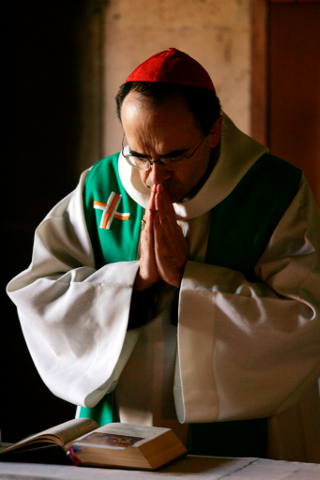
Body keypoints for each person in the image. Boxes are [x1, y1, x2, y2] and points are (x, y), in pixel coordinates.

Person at [7, 48, 320, 460]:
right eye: (138, 154)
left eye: (173, 156)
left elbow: (305, 316)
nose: (154, 176)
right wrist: (132, 285)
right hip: (120, 411)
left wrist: (187, 280)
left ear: (214, 132)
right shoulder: (100, 187)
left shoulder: (274, 192)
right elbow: (37, 292)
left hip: (241, 424)